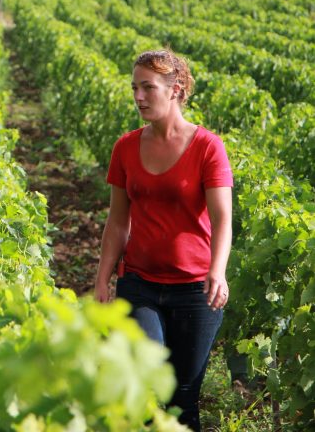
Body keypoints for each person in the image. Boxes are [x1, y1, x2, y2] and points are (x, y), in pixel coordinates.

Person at [94, 49, 233, 431]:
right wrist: (103, 277)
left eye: (148, 88)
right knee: (139, 378)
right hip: (139, 284)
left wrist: (217, 271)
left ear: (177, 89)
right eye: (135, 88)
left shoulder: (208, 147)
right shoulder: (125, 147)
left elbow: (223, 220)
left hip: (194, 291)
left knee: (182, 398)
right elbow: (118, 221)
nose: (138, 97)